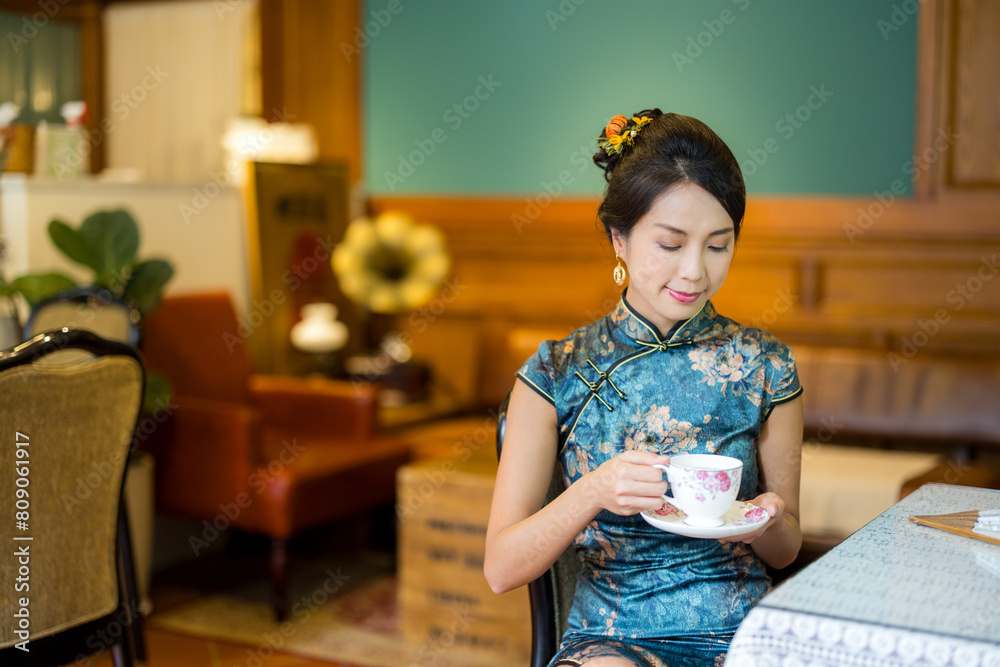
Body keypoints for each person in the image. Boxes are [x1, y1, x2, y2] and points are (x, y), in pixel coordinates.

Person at [484, 109, 804, 667]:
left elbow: (786, 550)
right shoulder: (555, 372)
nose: (694, 273)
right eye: (670, 243)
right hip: (613, 642)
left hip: (745, 636)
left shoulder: (765, 367)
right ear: (619, 239)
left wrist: (767, 519)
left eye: (717, 245)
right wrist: (590, 492)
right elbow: (501, 567)